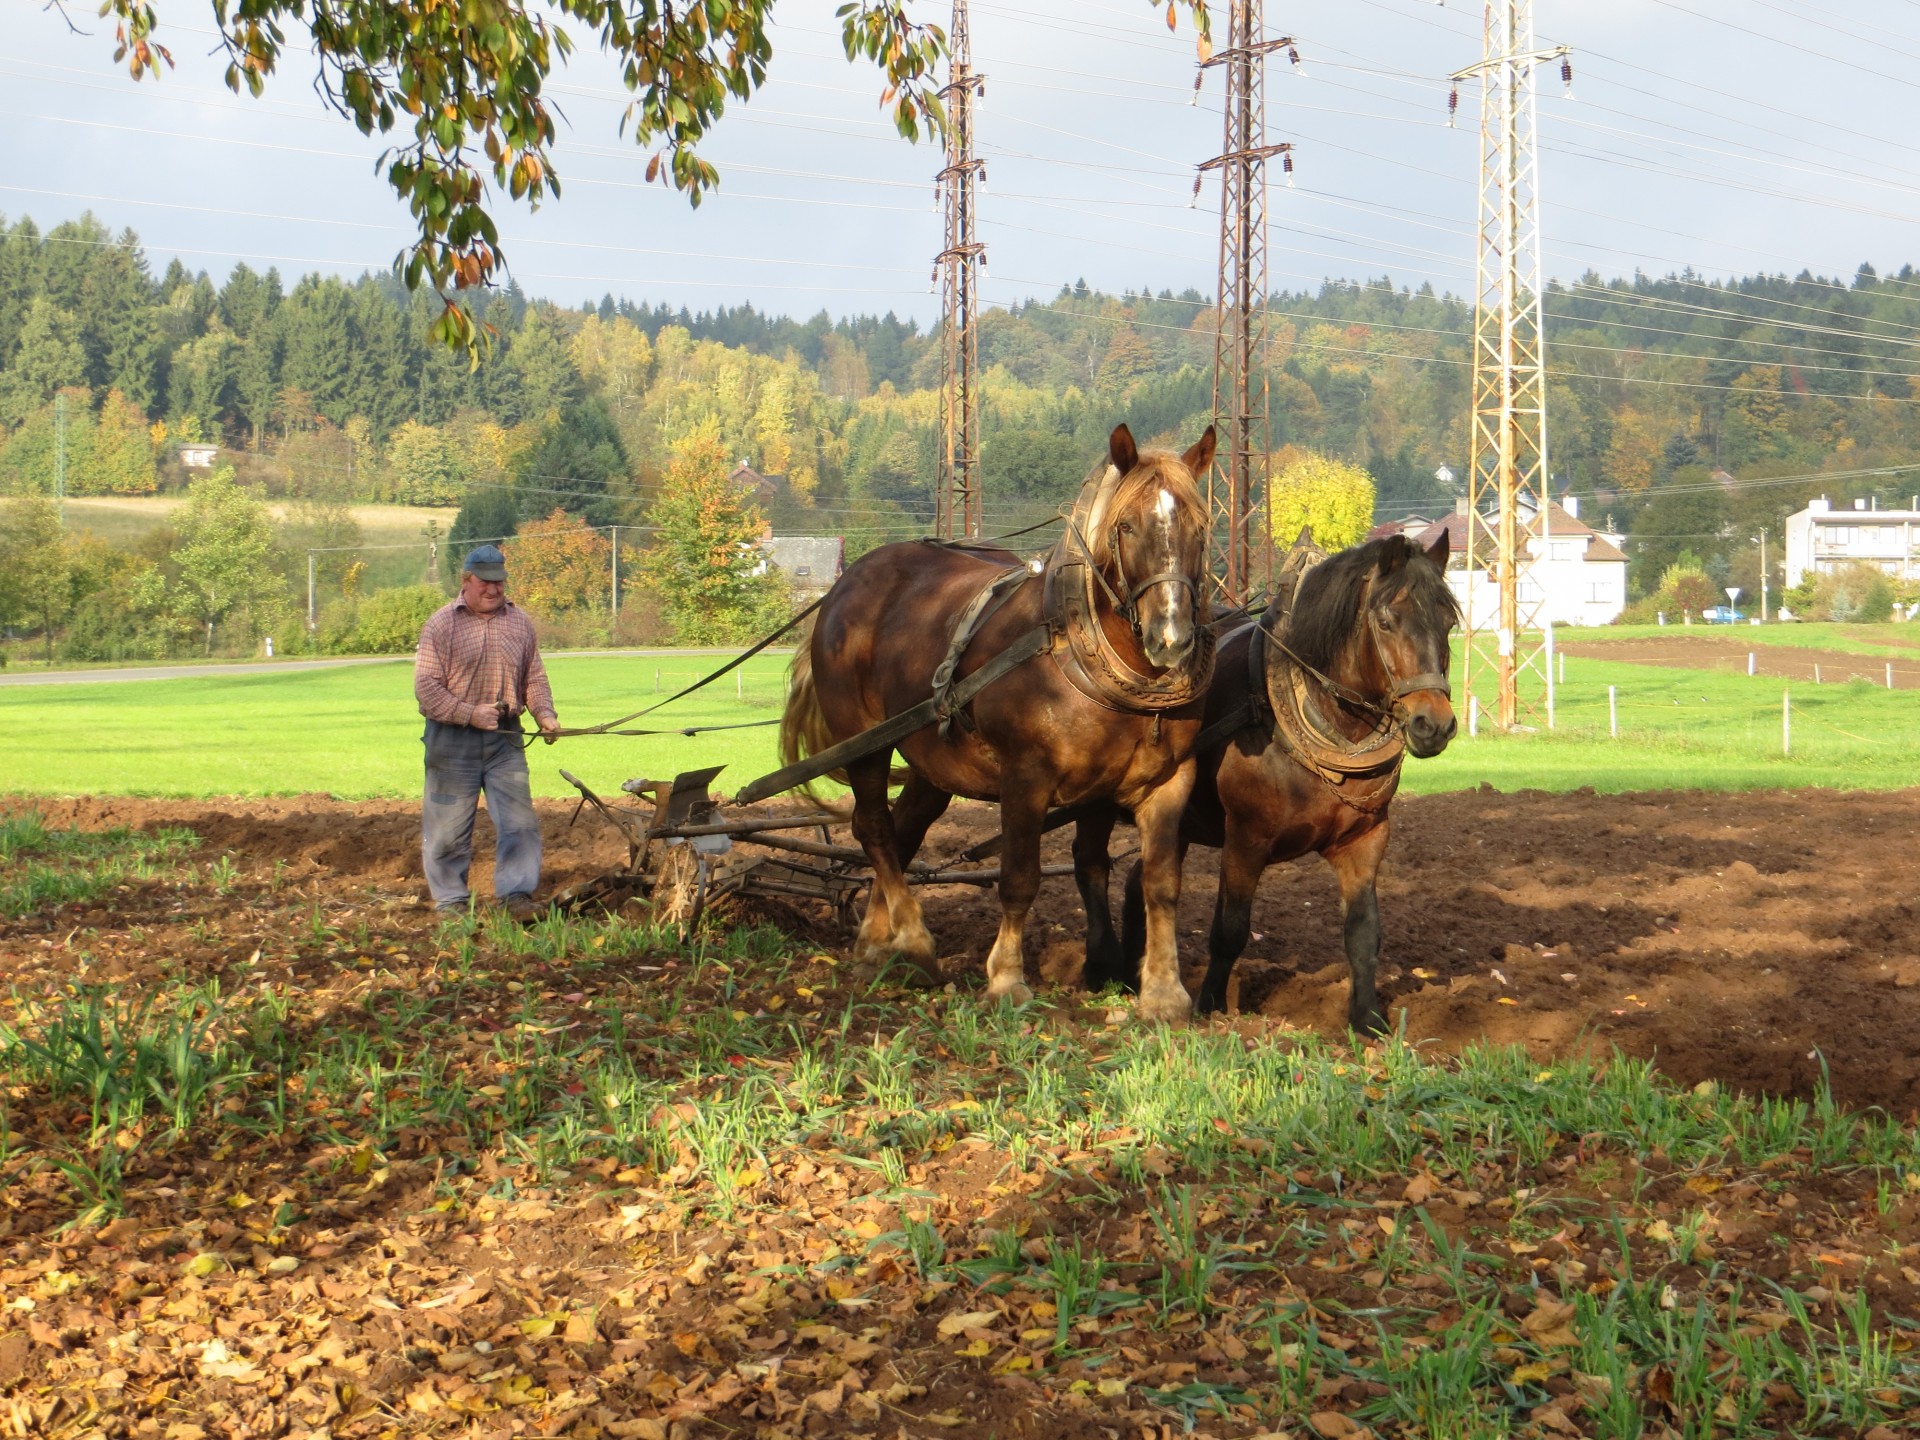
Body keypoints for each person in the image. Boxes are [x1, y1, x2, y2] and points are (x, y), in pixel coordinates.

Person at [414, 543, 561, 917]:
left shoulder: (520, 622)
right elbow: (427, 688)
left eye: (500, 583)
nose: (494, 590)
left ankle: (516, 897)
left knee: (520, 824)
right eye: (485, 582)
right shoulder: (441, 624)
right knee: (448, 831)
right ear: (466, 580)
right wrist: (468, 713)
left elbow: (534, 676)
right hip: (452, 741)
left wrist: (545, 714)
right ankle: (451, 903)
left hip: (506, 738)